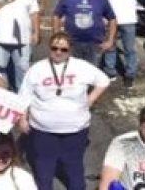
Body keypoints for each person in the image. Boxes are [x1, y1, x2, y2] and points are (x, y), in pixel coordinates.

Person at [19, 32, 110, 190]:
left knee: (73, 165)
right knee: (43, 167)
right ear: (49, 48)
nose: (58, 52)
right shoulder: (37, 69)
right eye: (54, 48)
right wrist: (22, 119)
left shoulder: (81, 66)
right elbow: (24, 96)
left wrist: (90, 100)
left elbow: (103, 80)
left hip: (75, 128)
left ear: (70, 50)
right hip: (43, 129)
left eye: (63, 49)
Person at [95, 0, 145, 87]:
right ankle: (110, 71)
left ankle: (130, 74)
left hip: (128, 19)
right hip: (111, 19)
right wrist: (101, 16)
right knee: (110, 46)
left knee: (129, 48)